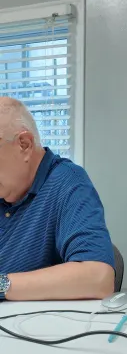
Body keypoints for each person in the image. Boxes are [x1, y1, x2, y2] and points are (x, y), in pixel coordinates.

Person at [0, 97, 115, 301]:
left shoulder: (68, 182)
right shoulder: (6, 187)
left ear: (24, 145)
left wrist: (2, 285)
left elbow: (98, 277)